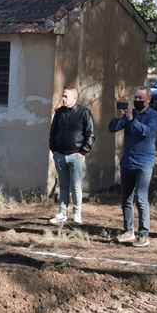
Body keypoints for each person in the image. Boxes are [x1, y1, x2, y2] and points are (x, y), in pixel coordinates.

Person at [108, 86, 157, 247]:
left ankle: (143, 234)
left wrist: (132, 120)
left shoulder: (154, 116)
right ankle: (128, 230)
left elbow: (148, 132)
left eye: (140, 98)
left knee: (141, 198)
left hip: (144, 163)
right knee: (126, 199)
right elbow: (113, 128)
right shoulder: (131, 113)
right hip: (127, 162)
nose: (137, 101)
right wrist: (117, 117)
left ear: (148, 100)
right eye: (135, 98)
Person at [48, 86, 96, 225]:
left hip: (76, 156)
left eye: (66, 96)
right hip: (60, 155)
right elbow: (53, 132)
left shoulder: (84, 113)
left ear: (75, 98)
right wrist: (54, 150)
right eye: (62, 96)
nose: (63, 99)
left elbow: (90, 134)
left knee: (75, 186)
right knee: (63, 186)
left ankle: (77, 214)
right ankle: (62, 213)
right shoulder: (59, 113)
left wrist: (82, 152)